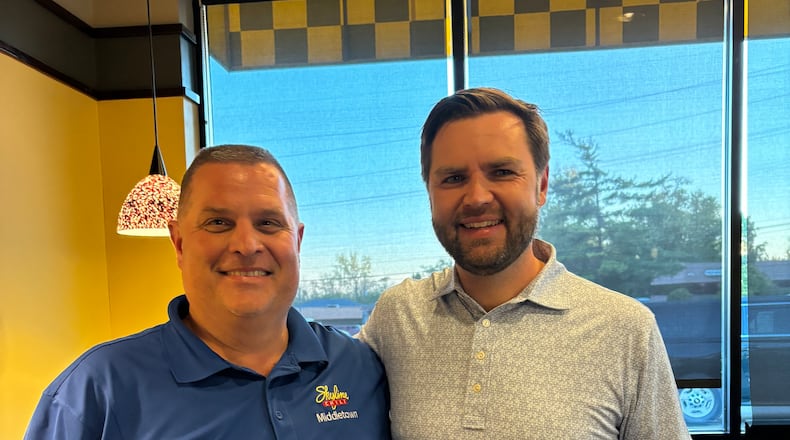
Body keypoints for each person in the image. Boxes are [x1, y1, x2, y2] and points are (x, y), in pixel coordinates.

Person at [358, 88, 690, 439]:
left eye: (501, 172)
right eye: (453, 178)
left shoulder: (626, 330)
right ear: (430, 192)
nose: (477, 198)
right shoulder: (397, 316)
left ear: (541, 184)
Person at [25, 145, 391, 439]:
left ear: (297, 241)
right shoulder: (96, 391)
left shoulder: (360, 368)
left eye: (268, 223)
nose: (247, 245)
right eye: (218, 223)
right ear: (180, 243)